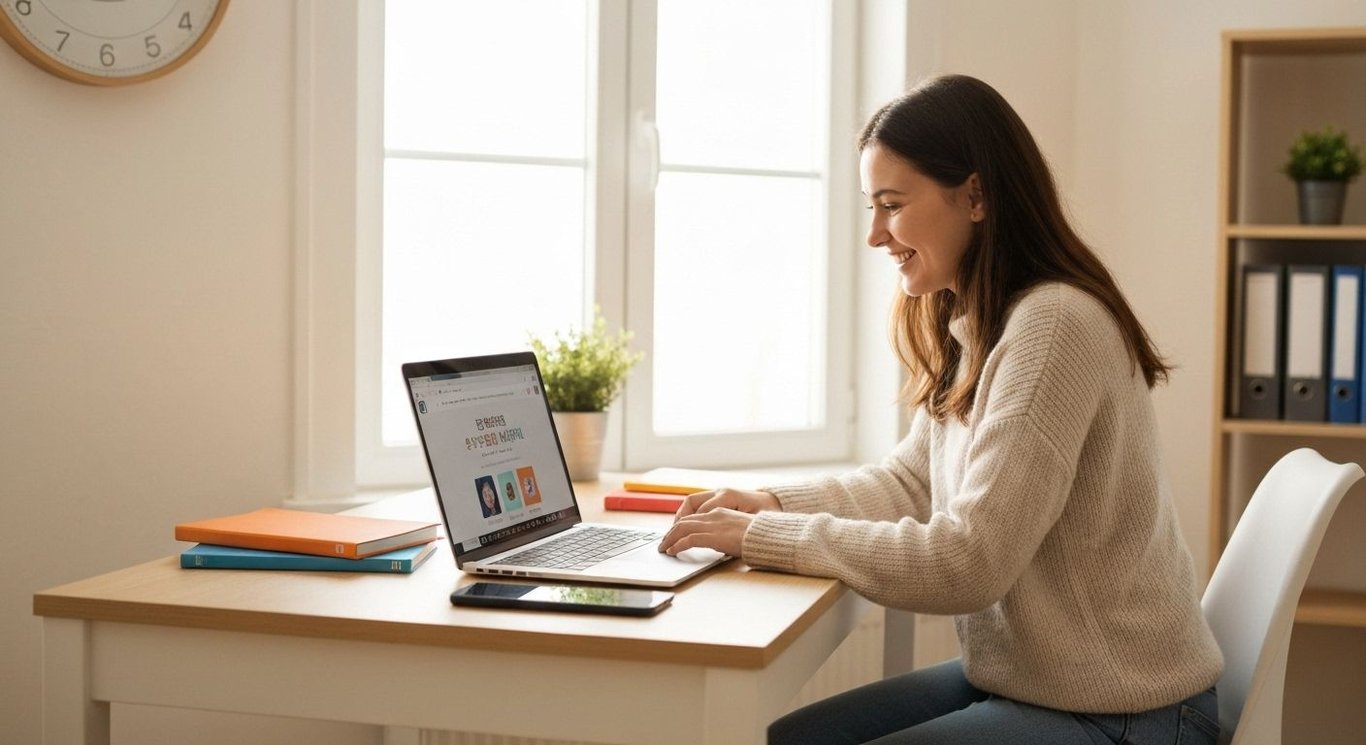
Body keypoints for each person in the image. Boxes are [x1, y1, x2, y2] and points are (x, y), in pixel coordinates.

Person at [658, 74, 1223, 744]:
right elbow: (910, 482)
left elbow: (969, 562)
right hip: (1037, 681)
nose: (875, 235)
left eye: (891, 204)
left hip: (1124, 708)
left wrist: (763, 539)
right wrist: (772, 503)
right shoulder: (975, 320)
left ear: (976, 196)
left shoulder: (1053, 327)